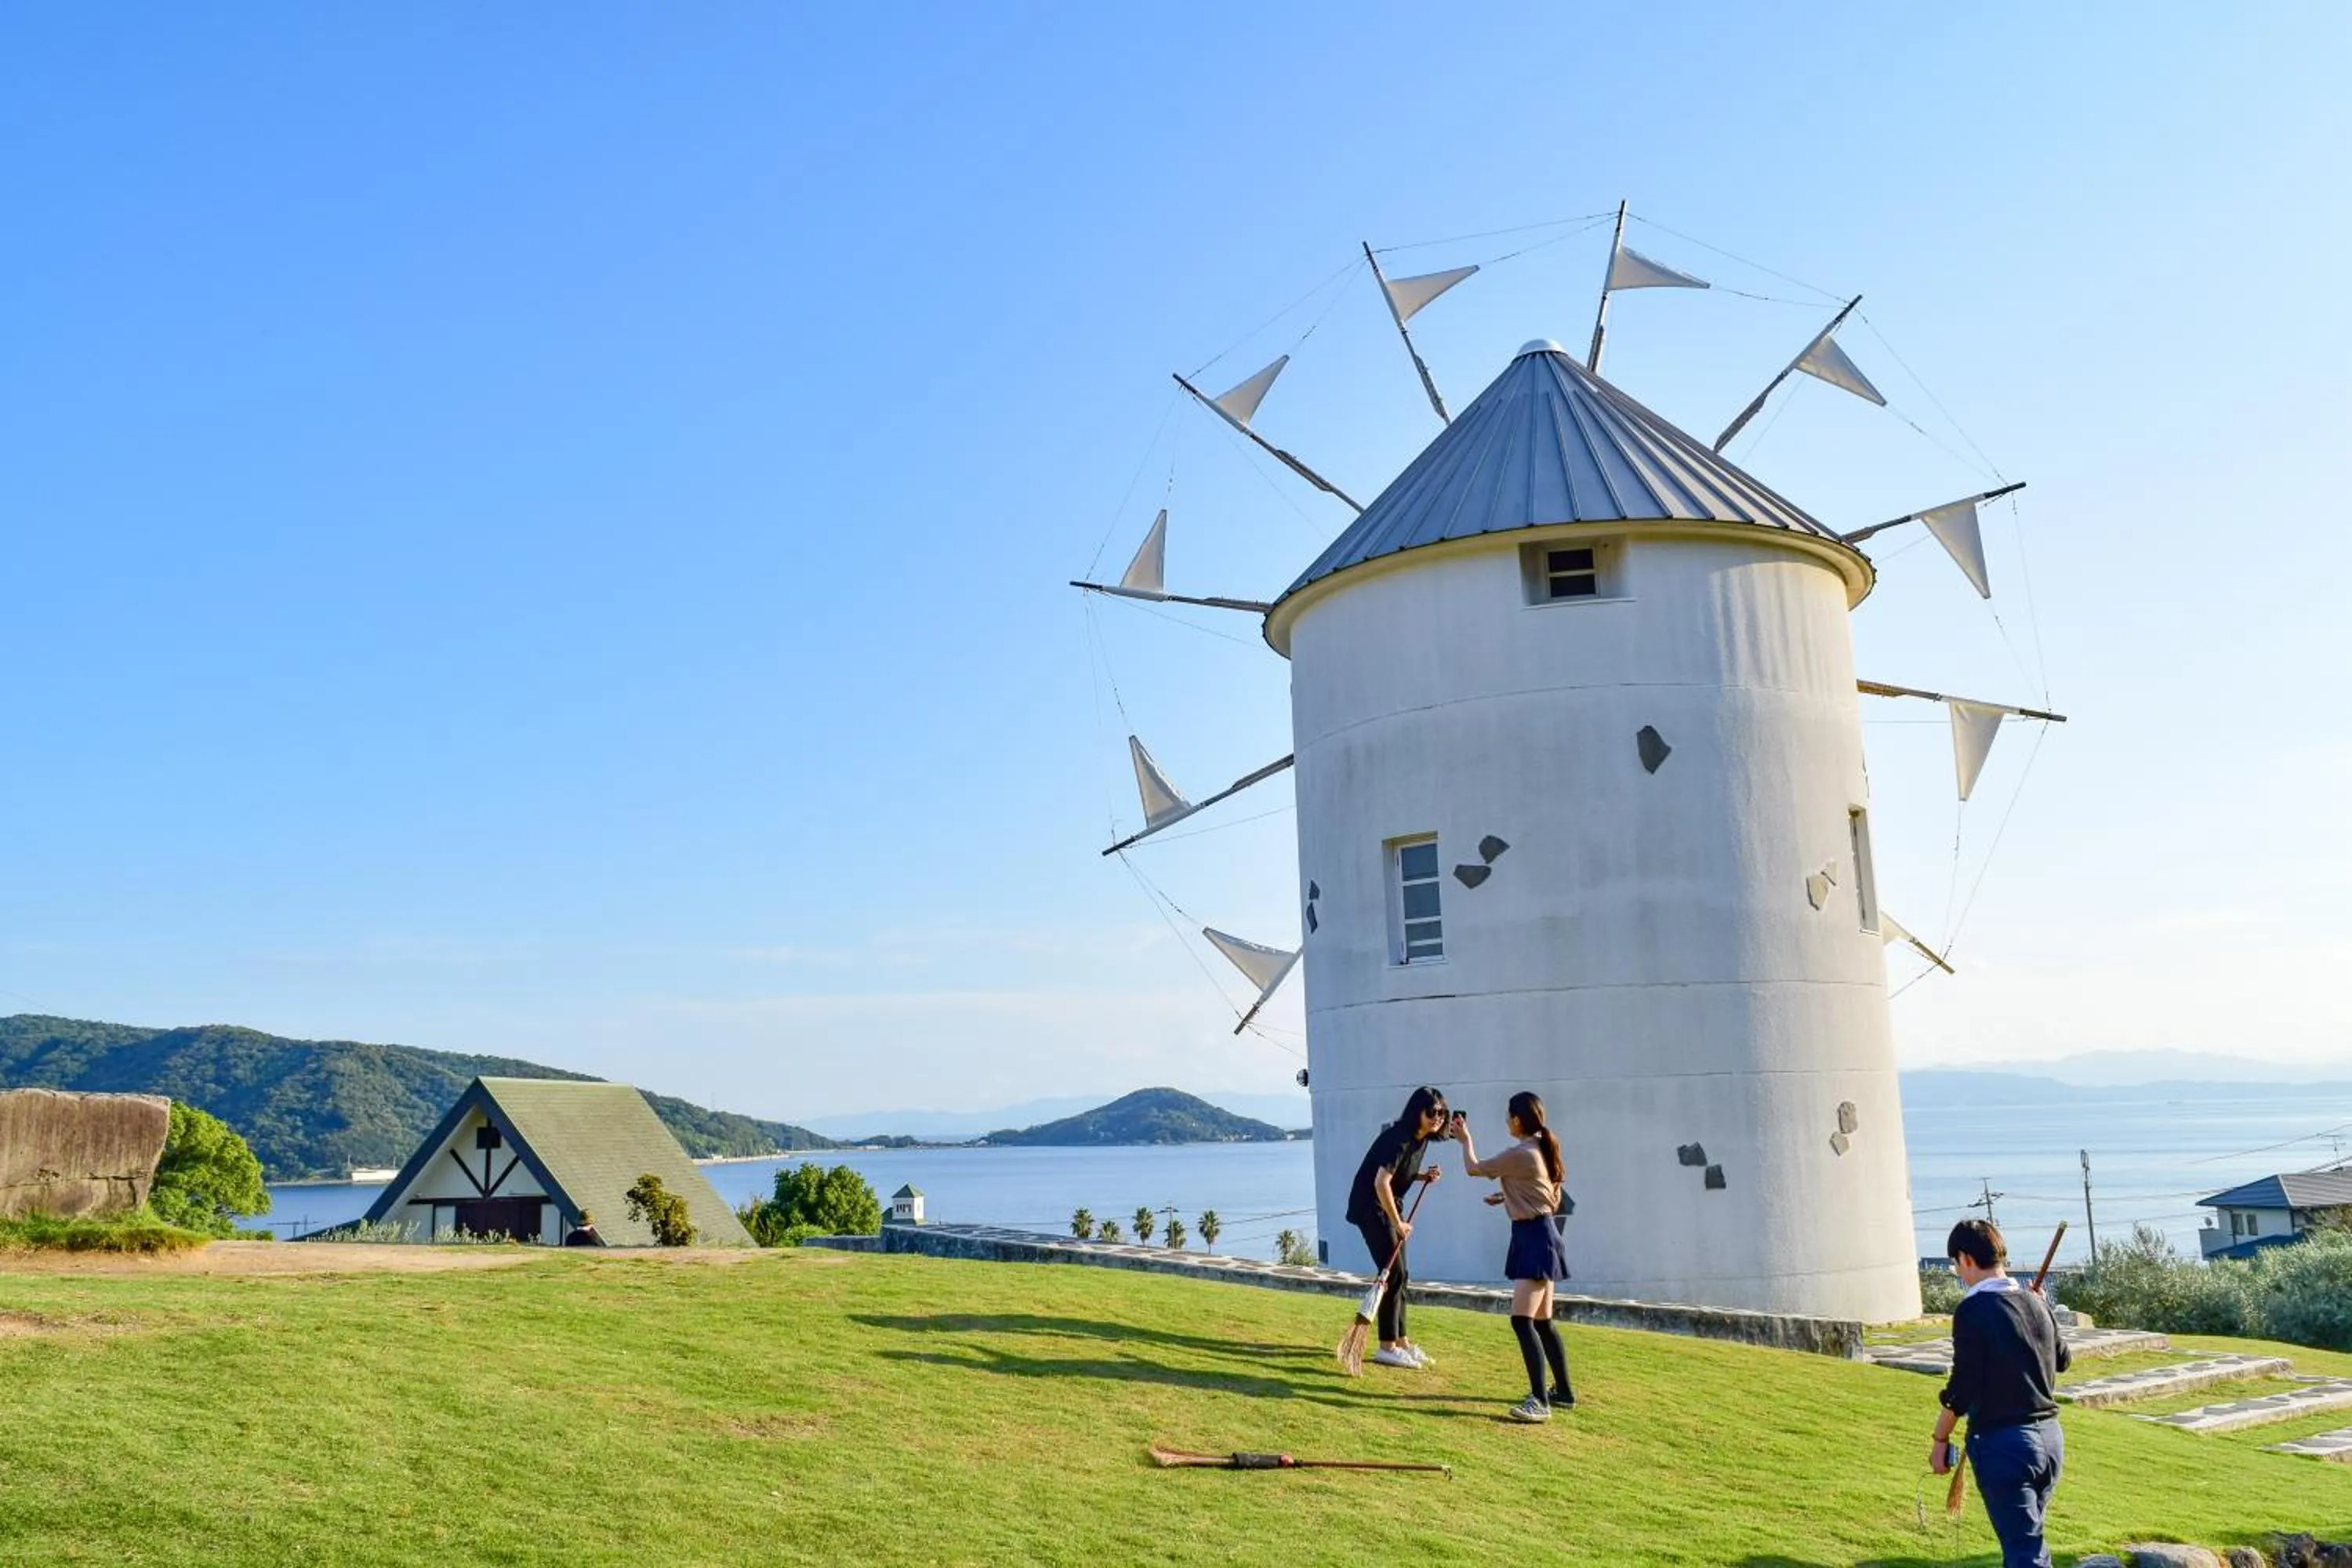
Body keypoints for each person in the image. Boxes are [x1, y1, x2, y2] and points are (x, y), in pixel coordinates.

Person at [1929, 1219, 2071, 1568]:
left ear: (1965, 1258)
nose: (1958, 1272)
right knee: (2028, 1544)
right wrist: (2045, 1311)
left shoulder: (1973, 1310)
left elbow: (1963, 1387)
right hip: (2050, 1440)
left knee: (2025, 1553)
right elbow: (2063, 1360)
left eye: (1955, 1264)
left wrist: (1940, 1438)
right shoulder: (2035, 1302)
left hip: (2005, 1445)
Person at [1453, 1092, 1574, 1422]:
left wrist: (1465, 1139)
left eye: (1508, 1116)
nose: (1506, 1120)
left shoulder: (1520, 1153)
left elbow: (1473, 1168)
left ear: (1518, 1120)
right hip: (1543, 1235)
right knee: (1542, 1322)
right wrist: (1504, 1196)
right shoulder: (1542, 1150)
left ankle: (1539, 1401)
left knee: (1521, 1321)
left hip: (1534, 1239)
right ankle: (1563, 1393)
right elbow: (1547, 1192)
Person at [1345, 1085, 1448, 1370]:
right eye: (1431, 1112)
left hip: (1385, 1207)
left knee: (1402, 1274)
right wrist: (1397, 1222)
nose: (1437, 1117)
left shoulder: (1421, 1139)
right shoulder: (1399, 1139)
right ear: (1417, 1112)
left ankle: (1401, 1342)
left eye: (1441, 1112)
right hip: (1370, 1207)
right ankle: (1387, 1347)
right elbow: (1381, 1183)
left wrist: (1421, 1175)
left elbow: (1400, 1171)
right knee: (1394, 1274)